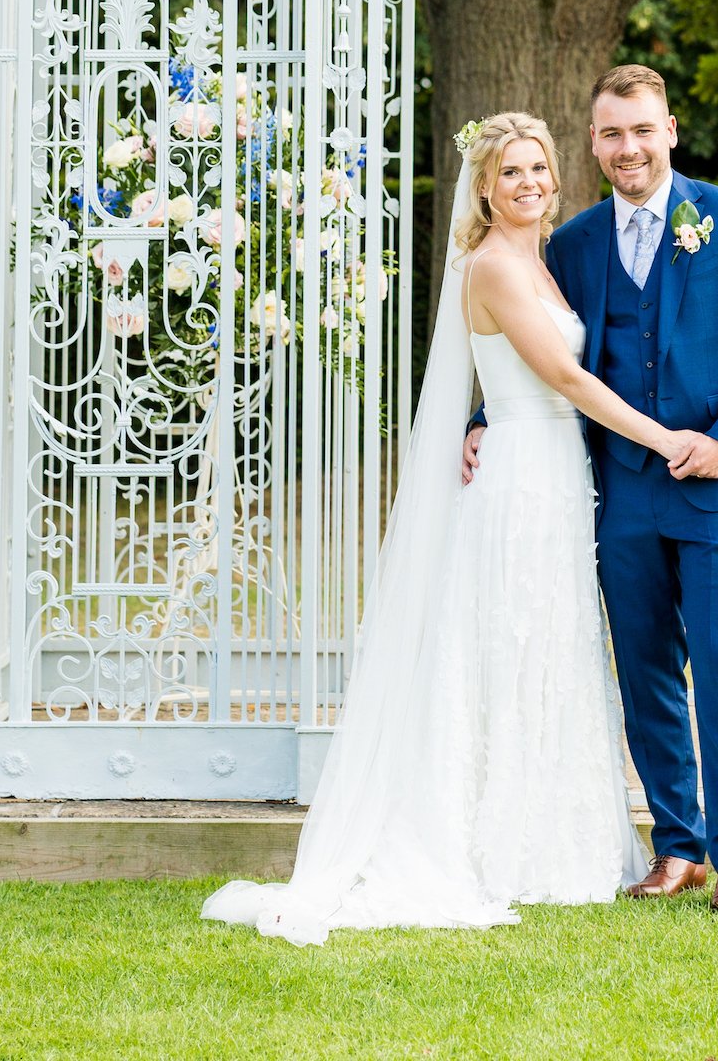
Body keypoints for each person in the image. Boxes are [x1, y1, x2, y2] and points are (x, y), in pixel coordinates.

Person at [201, 111, 692, 938]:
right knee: (508, 646)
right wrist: (664, 439)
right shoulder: (496, 267)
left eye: (538, 168)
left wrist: (481, 418)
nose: (529, 182)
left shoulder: (541, 257)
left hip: (552, 477)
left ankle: (547, 840)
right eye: (510, 173)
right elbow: (565, 378)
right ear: (483, 186)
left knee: (549, 647)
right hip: (521, 488)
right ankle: (495, 847)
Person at [465, 64, 718, 912]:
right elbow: (540, 353)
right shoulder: (569, 244)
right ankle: (675, 847)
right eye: (611, 134)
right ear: (595, 143)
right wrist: (481, 417)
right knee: (643, 671)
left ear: (670, 130)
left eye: (642, 130)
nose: (628, 148)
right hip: (623, 492)